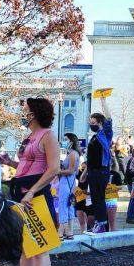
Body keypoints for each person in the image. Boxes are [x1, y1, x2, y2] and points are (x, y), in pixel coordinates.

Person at [0, 98, 61, 266]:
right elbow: (26, 164)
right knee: (26, 247)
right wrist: (9, 162)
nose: (23, 113)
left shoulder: (48, 136)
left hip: (36, 196)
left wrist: (32, 191)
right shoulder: (30, 136)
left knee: (40, 246)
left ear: (34, 113)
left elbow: (53, 169)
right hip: (21, 194)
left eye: (25, 110)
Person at [85, 97, 114, 234]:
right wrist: (85, 172)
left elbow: (109, 119)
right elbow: (90, 157)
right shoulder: (94, 136)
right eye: (90, 122)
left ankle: (102, 224)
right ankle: (99, 223)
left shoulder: (105, 134)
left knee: (99, 198)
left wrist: (103, 101)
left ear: (100, 123)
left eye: (93, 122)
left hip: (101, 171)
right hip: (92, 171)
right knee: (95, 199)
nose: (91, 124)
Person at [56, 132, 81, 240]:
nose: (64, 141)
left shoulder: (72, 154)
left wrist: (58, 171)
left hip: (67, 182)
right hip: (69, 182)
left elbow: (70, 170)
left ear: (71, 141)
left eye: (65, 139)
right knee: (69, 205)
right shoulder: (72, 153)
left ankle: (61, 231)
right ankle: (69, 231)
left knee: (63, 205)